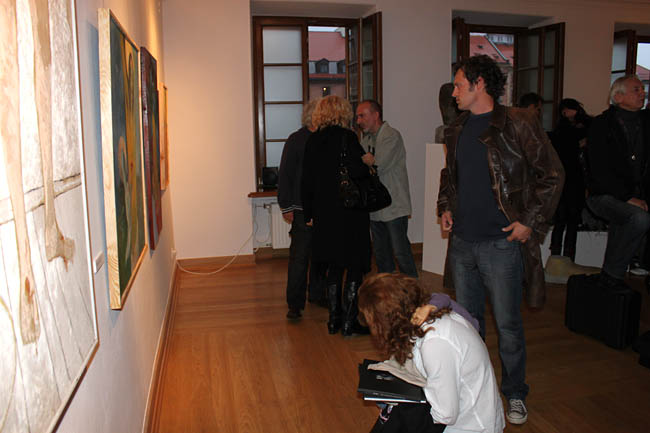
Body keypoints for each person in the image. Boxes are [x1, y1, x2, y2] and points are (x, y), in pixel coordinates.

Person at [438, 54, 564, 425]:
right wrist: (445, 206)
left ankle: (515, 393)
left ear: (479, 84)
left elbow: (552, 175)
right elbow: (450, 176)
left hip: (501, 243)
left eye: (459, 85)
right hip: (462, 241)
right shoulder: (455, 129)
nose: (454, 92)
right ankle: (476, 393)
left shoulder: (519, 122)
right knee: (467, 324)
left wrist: (529, 221)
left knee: (508, 326)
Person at [359, 273, 505, 433]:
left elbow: (445, 415)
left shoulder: (434, 343)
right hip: (465, 412)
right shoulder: (431, 316)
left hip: (469, 426)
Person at [302, 95, 371, 336]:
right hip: (349, 212)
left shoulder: (313, 140)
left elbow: (306, 181)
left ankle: (333, 320)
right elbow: (359, 172)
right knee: (353, 265)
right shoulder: (348, 137)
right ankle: (350, 322)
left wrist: (309, 213)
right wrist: (367, 162)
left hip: (324, 213)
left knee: (332, 265)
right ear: (343, 113)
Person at [586, 75, 650, 286]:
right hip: (604, 194)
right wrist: (627, 197)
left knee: (634, 217)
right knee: (638, 218)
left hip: (638, 195)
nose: (642, 93)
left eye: (643, 89)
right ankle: (612, 275)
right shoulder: (602, 125)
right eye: (636, 89)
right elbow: (599, 170)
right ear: (619, 96)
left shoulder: (646, 123)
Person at [278, 99, 328, 319]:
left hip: (324, 209)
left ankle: (317, 294)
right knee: (299, 258)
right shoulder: (296, 140)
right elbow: (285, 174)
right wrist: (286, 206)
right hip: (300, 209)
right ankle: (295, 303)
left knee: (321, 255)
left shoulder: (327, 138)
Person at [356, 100, 418, 278]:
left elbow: (379, 165)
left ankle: (413, 288)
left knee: (401, 252)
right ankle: (385, 291)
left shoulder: (391, 135)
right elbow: (361, 166)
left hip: (394, 205)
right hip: (375, 206)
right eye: (358, 117)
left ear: (376, 115)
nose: (359, 121)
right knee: (381, 253)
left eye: (362, 116)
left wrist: (369, 161)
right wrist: (367, 161)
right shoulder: (366, 139)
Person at [544, 99, 599, 282]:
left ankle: (564, 261)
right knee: (564, 221)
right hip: (568, 181)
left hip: (572, 181)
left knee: (570, 221)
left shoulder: (579, 128)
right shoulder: (565, 132)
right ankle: (560, 260)